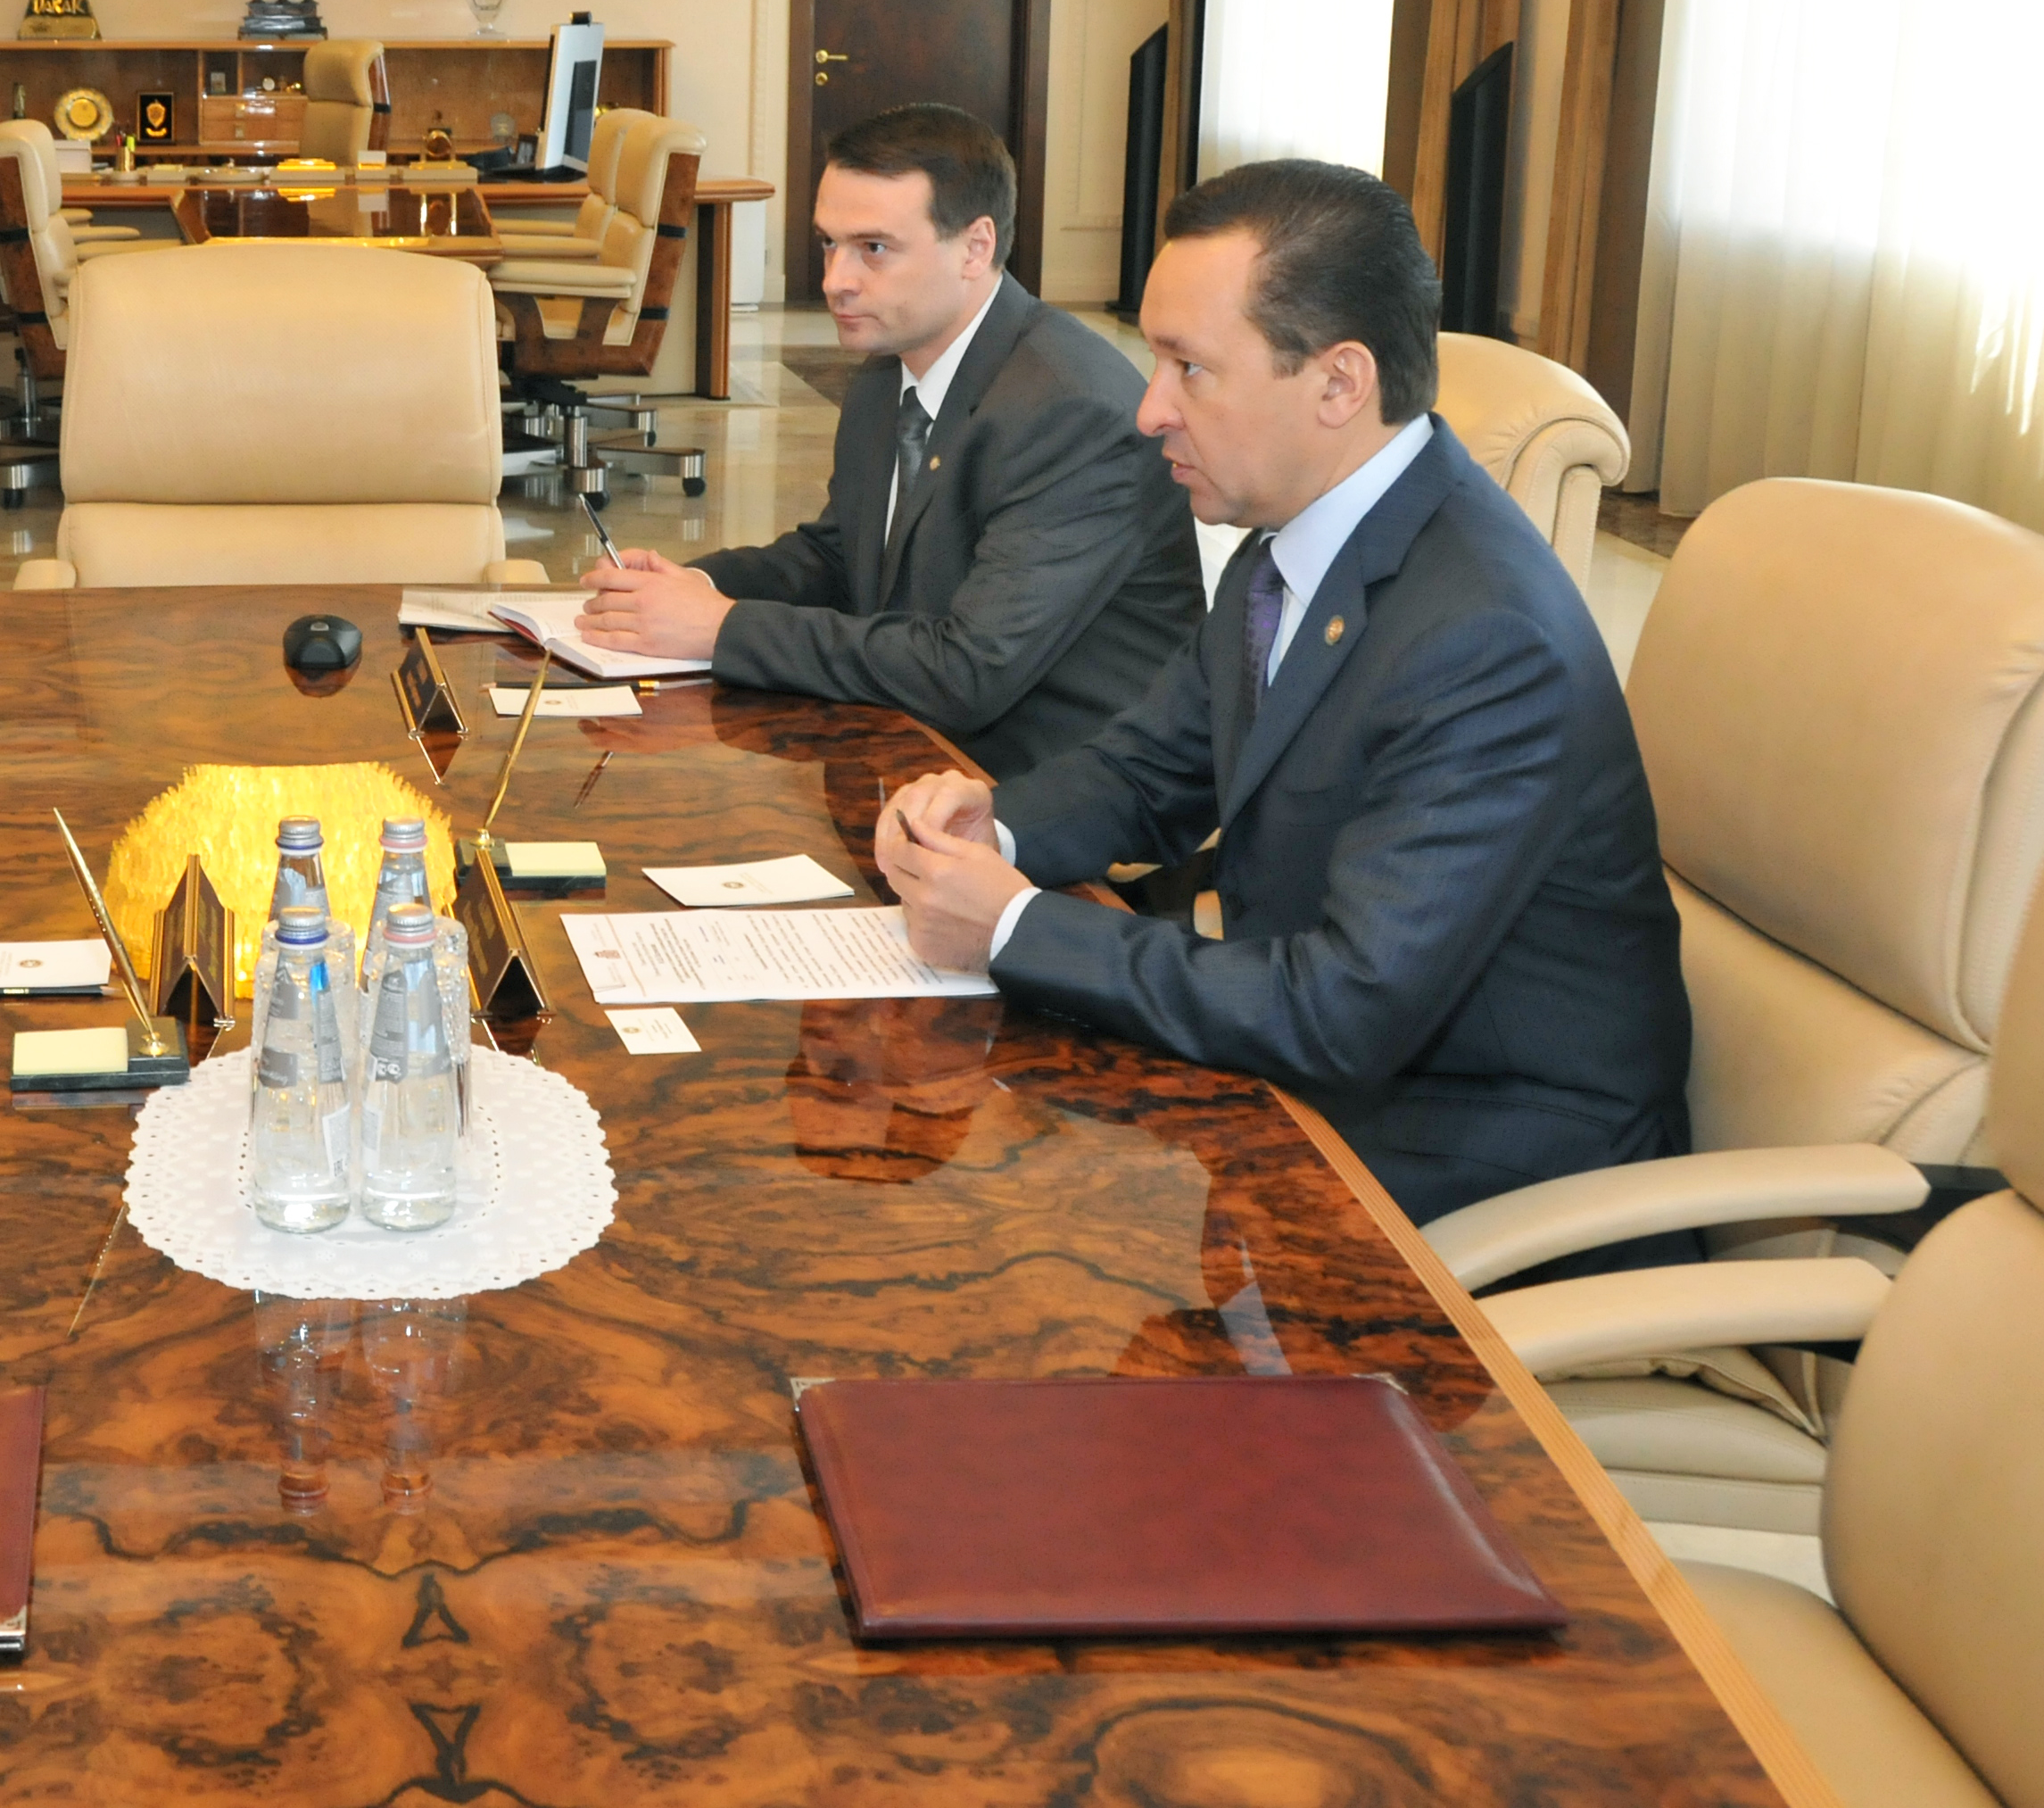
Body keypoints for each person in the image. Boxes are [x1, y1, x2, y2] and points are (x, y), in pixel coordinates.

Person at [876, 157, 1689, 1235]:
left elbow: (1342, 1010)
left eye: (1188, 368)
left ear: (1338, 384)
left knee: (996, 1223)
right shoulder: (1296, 536)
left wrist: (1014, 925)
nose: (1148, 412)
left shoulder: (1483, 641)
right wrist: (995, 828)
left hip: (1479, 1154)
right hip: (1326, 1074)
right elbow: (1149, 770)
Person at [575, 102, 1200, 778]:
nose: (835, 281)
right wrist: (694, 586)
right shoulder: (888, 372)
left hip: (1056, 790)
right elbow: (843, 557)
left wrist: (720, 626)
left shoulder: (1072, 413)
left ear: (976, 247)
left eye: (873, 248)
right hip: (914, 752)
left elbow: (968, 671)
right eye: (829, 244)